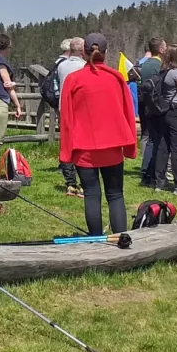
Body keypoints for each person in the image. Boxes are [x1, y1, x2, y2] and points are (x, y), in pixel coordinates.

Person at [59, 33, 137, 235]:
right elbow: (128, 113)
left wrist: (66, 153)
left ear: (83, 52)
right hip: (113, 147)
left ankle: (95, 239)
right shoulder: (116, 77)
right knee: (116, 195)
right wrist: (129, 146)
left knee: (92, 195)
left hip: (84, 149)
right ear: (106, 52)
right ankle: (122, 238)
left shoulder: (73, 79)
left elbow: (66, 119)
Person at [153, 43, 177, 195]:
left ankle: (160, 181)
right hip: (176, 111)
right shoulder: (176, 73)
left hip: (164, 111)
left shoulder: (163, 71)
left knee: (164, 147)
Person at [0, 32, 23, 178]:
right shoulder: (1, 63)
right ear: (5, 47)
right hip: (1, 103)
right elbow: (8, 85)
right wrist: (18, 105)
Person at [56, 37, 88, 197]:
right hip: (80, 111)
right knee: (82, 147)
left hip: (64, 109)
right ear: (83, 50)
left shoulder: (62, 66)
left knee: (67, 146)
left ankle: (70, 183)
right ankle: (83, 183)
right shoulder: (84, 67)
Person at [138, 37, 167, 188]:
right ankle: (156, 173)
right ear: (161, 50)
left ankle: (145, 171)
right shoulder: (160, 65)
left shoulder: (145, 64)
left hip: (146, 105)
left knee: (149, 138)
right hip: (158, 106)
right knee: (159, 141)